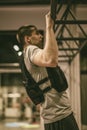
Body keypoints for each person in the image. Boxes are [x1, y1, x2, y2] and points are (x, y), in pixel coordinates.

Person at [16, 12, 79, 130]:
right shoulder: (30, 50)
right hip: (59, 115)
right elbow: (51, 59)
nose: (41, 36)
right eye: (37, 33)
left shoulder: (26, 56)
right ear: (28, 39)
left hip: (55, 115)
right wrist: (49, 27)